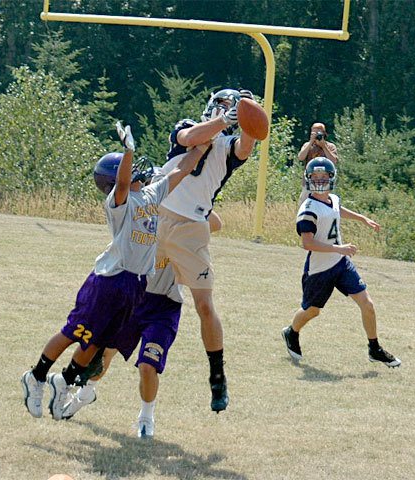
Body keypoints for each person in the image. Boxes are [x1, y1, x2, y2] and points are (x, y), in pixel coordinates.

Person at [21, 122, 212, 421]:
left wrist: (203, 146)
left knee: (96, 343)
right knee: (74, 332)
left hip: (135, 286)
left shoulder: (150, 195)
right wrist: (128, 151)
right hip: (109, 281)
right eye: (132, 165)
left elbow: (181, 170)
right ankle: (36, 376)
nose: (138, 168)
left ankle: (65, 383)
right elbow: (123, 184)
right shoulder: (119, 201)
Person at [61, 212, 223, 439]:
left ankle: (146, 417)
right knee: (105, 353)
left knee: (148, 366)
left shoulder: (182, 214)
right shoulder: (143, 210)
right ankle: (85, 393)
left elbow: (216, 223)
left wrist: (189, 208)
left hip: (164, 307)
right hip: (135, 297)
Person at [156, 88, 258, 413]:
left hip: (191, 229)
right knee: (131, 293)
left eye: (232, 109)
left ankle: (217, 376)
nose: (227, 112)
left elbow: (248, 143)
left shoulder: (228, 147)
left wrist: (248, 114)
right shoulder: (188, 126)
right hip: (156, 219)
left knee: (203, 305)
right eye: (224, 107)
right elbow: (188, 138)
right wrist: (221, 119)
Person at [281, 157, 401, 368]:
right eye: (315, 177)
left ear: (331, 177)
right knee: (312, 311)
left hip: (341, 264)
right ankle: (291, 332)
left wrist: (363, 218)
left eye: (323, 176)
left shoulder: (332, 199)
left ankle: (374, 348)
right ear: (308, 179)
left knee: (367, 304)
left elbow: (337, 209)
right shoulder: (308, 208)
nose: (319, 180)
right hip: (320, 269)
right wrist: (339, 248)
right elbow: (307, 243)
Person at [298, 123, 338, 204]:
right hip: (309, 183)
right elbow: (301, 157)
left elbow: (333, 161)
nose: (316, 135)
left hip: (325, 183)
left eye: (318, 133)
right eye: (314, 133)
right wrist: (311, 142)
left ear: (324, 133)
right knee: (305, 205)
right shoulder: (307, 145)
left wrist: (323, 146)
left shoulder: (330, 146)